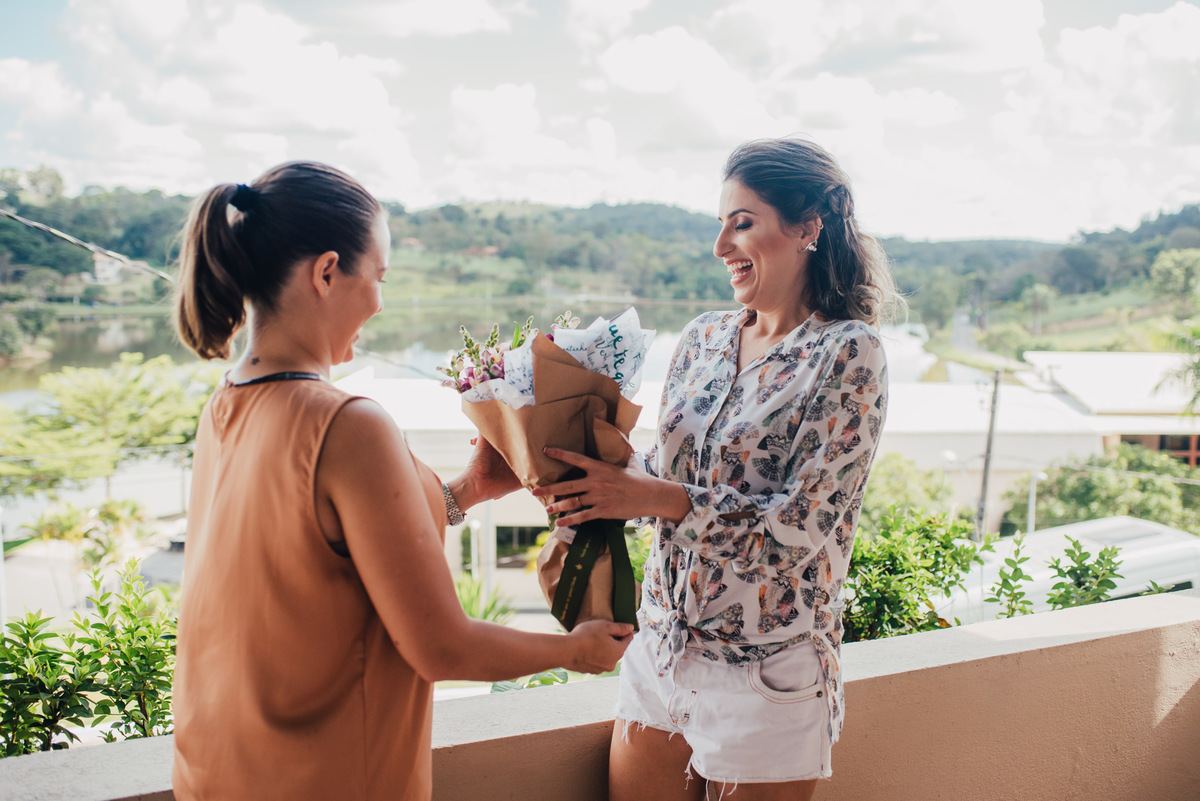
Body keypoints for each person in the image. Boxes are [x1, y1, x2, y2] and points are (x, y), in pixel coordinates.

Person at [170, 161, 632, 801]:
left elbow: (323, 555)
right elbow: (441, 647)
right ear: (326, 273)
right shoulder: (346, 424)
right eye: (379, 277)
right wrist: (574, 652)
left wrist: (470, 489)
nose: (380, 303)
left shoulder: (225, 404)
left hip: (219, 771)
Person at [533, 138, 899, 800]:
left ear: (808, 228)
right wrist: (584, 471)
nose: (720, 246)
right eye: (720, 223)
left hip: (766, 674)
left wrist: (654, 496)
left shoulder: (849, 353)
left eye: (743, 222)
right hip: (660, 651)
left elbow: (795, 531)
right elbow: (667, 473)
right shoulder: (703, 337)